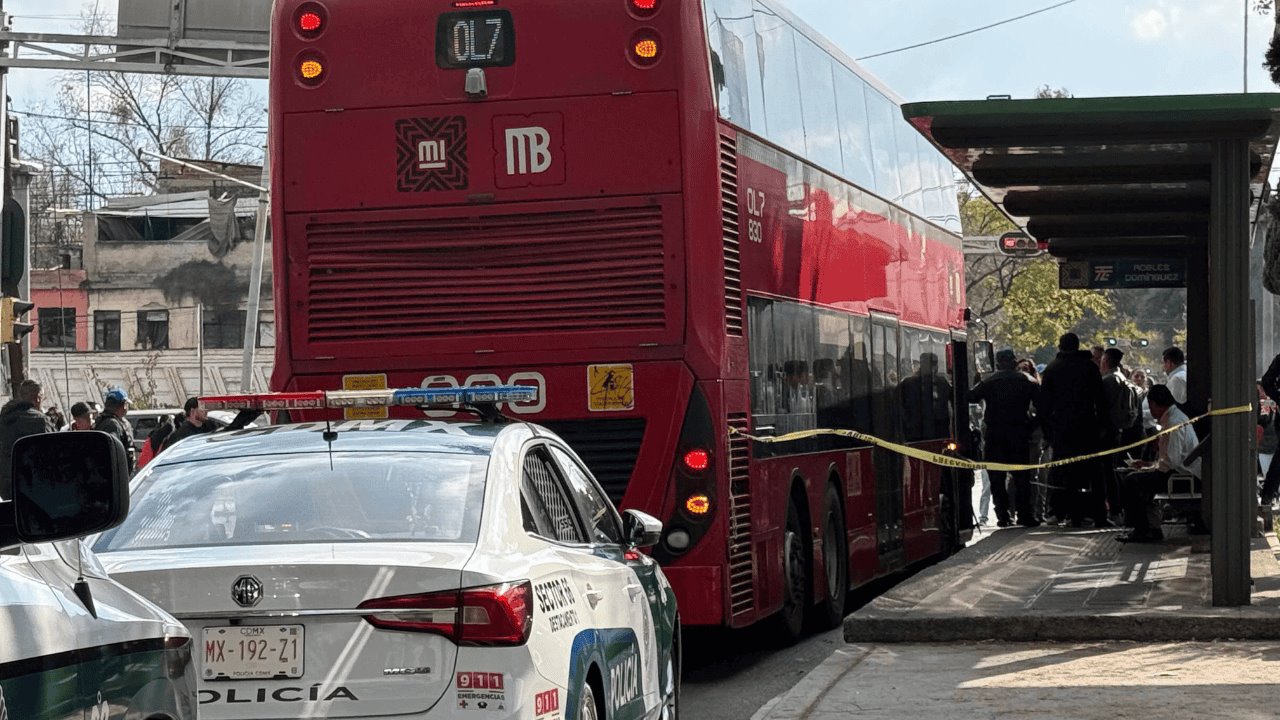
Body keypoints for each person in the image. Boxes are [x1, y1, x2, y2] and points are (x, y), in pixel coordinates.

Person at [1038, 332, 1110, 527]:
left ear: (1060, 347)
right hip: (1087, 428)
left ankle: (1061, 512)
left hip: (1061, 430)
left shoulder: (1053, 369)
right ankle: (1097, 514)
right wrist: (1102, 425)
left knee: (1062, 472)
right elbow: (1100, 400)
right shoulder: (1089, 367)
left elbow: (1044, 405)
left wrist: (1047, 432)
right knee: (1092, 472)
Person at [1118, 384, 1201, 543]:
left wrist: (1150, 467)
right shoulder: (1173, 417)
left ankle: (1142, 529)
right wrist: (1149, 465)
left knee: (1132, 481)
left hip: (1183, 475)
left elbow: (1171, 461)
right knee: (1136, 478)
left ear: (1155, 404)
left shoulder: (1173, 422)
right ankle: (1151, 527)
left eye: (1151, 406)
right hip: (1180, 471)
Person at [971, 349, 1041, 527]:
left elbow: (971, 397)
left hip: (995, 434)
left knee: (997, 477)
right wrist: (1030, 426)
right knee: (1022, 478)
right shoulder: (1028, 381)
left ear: (998, 363)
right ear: (1014, 362)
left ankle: (1003, 515)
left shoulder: (990, 381)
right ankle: (1025, 514)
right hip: (1019, 433)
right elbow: (1043, 407)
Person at [0, 380, 55, 499]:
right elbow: (53, 453)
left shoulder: (3, 420)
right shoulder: (40, 421)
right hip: (35, 486)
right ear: (38, 398)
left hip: (7, 485)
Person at [93, 387, 136, 472]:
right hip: (116, 475)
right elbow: (113, 452)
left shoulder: (102, 421)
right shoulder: (113, 425)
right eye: (127, 404)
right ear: (123, 405)